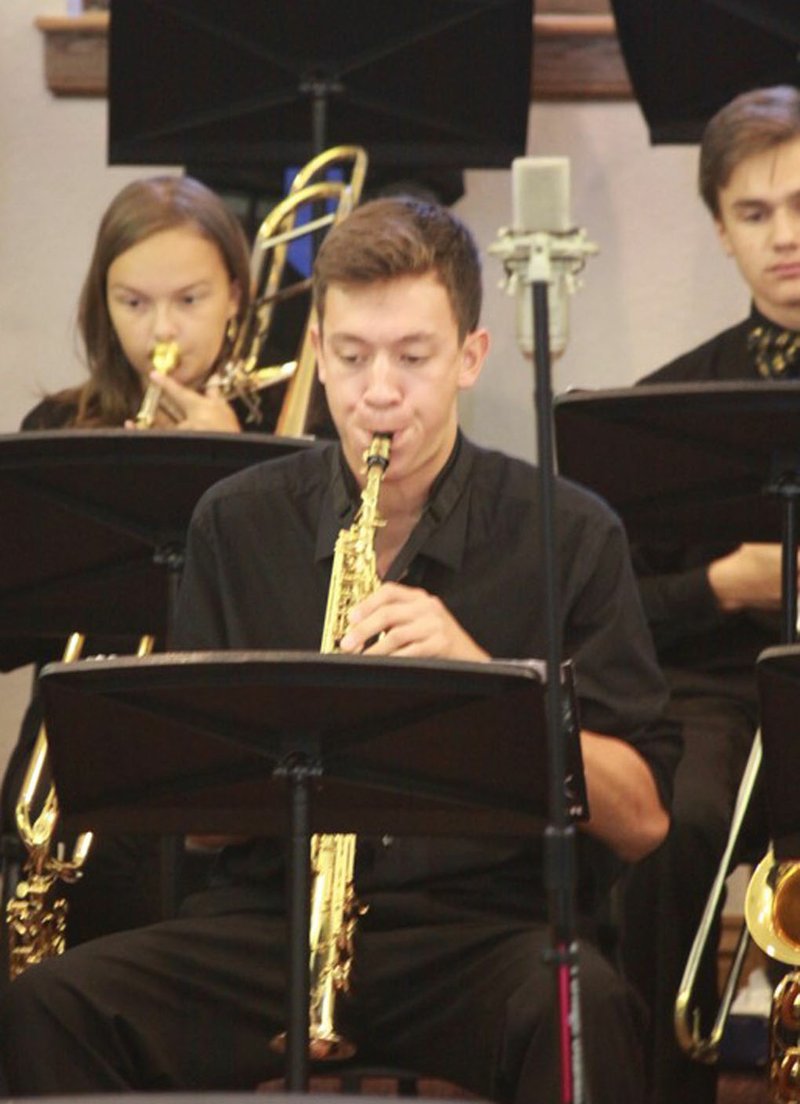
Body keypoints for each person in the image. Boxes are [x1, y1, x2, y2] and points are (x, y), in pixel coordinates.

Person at [0, 196, 680, 1104]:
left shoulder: (569, 531)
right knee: (49, 1006)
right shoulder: (236, 521)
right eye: (352, 356)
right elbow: (196, 824)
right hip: (265, 927)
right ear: (318, 350)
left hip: (476, 935)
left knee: (581, 1011)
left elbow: (643, 819)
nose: (379, 393)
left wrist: (485, 687)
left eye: (414, 356)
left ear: (471, 357)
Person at [1, 174, 253, 951]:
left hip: (221, 777)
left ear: (238, 299)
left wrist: (233, 464)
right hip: (74, 765)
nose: (159, 330)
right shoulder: (57, 430)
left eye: (189, 299)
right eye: (132, 303)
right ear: (101, 305)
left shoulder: (287, 432)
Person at [617, 84, 800, 1104]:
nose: (784, 237)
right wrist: (721, 585)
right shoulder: (658, 410)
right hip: (710, 697)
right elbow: (613, 611)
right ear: (720, 230)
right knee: (663, 823)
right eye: (754, 212)